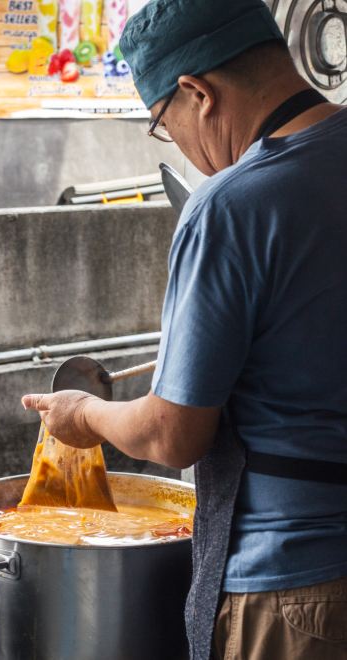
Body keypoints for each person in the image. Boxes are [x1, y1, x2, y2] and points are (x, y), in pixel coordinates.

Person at [22, 0, 347, 658]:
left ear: (199, 92)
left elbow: (173, 434)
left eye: (169, 128)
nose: (192, 156)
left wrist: (83, 414)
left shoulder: (233, 206)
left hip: (294, 588)